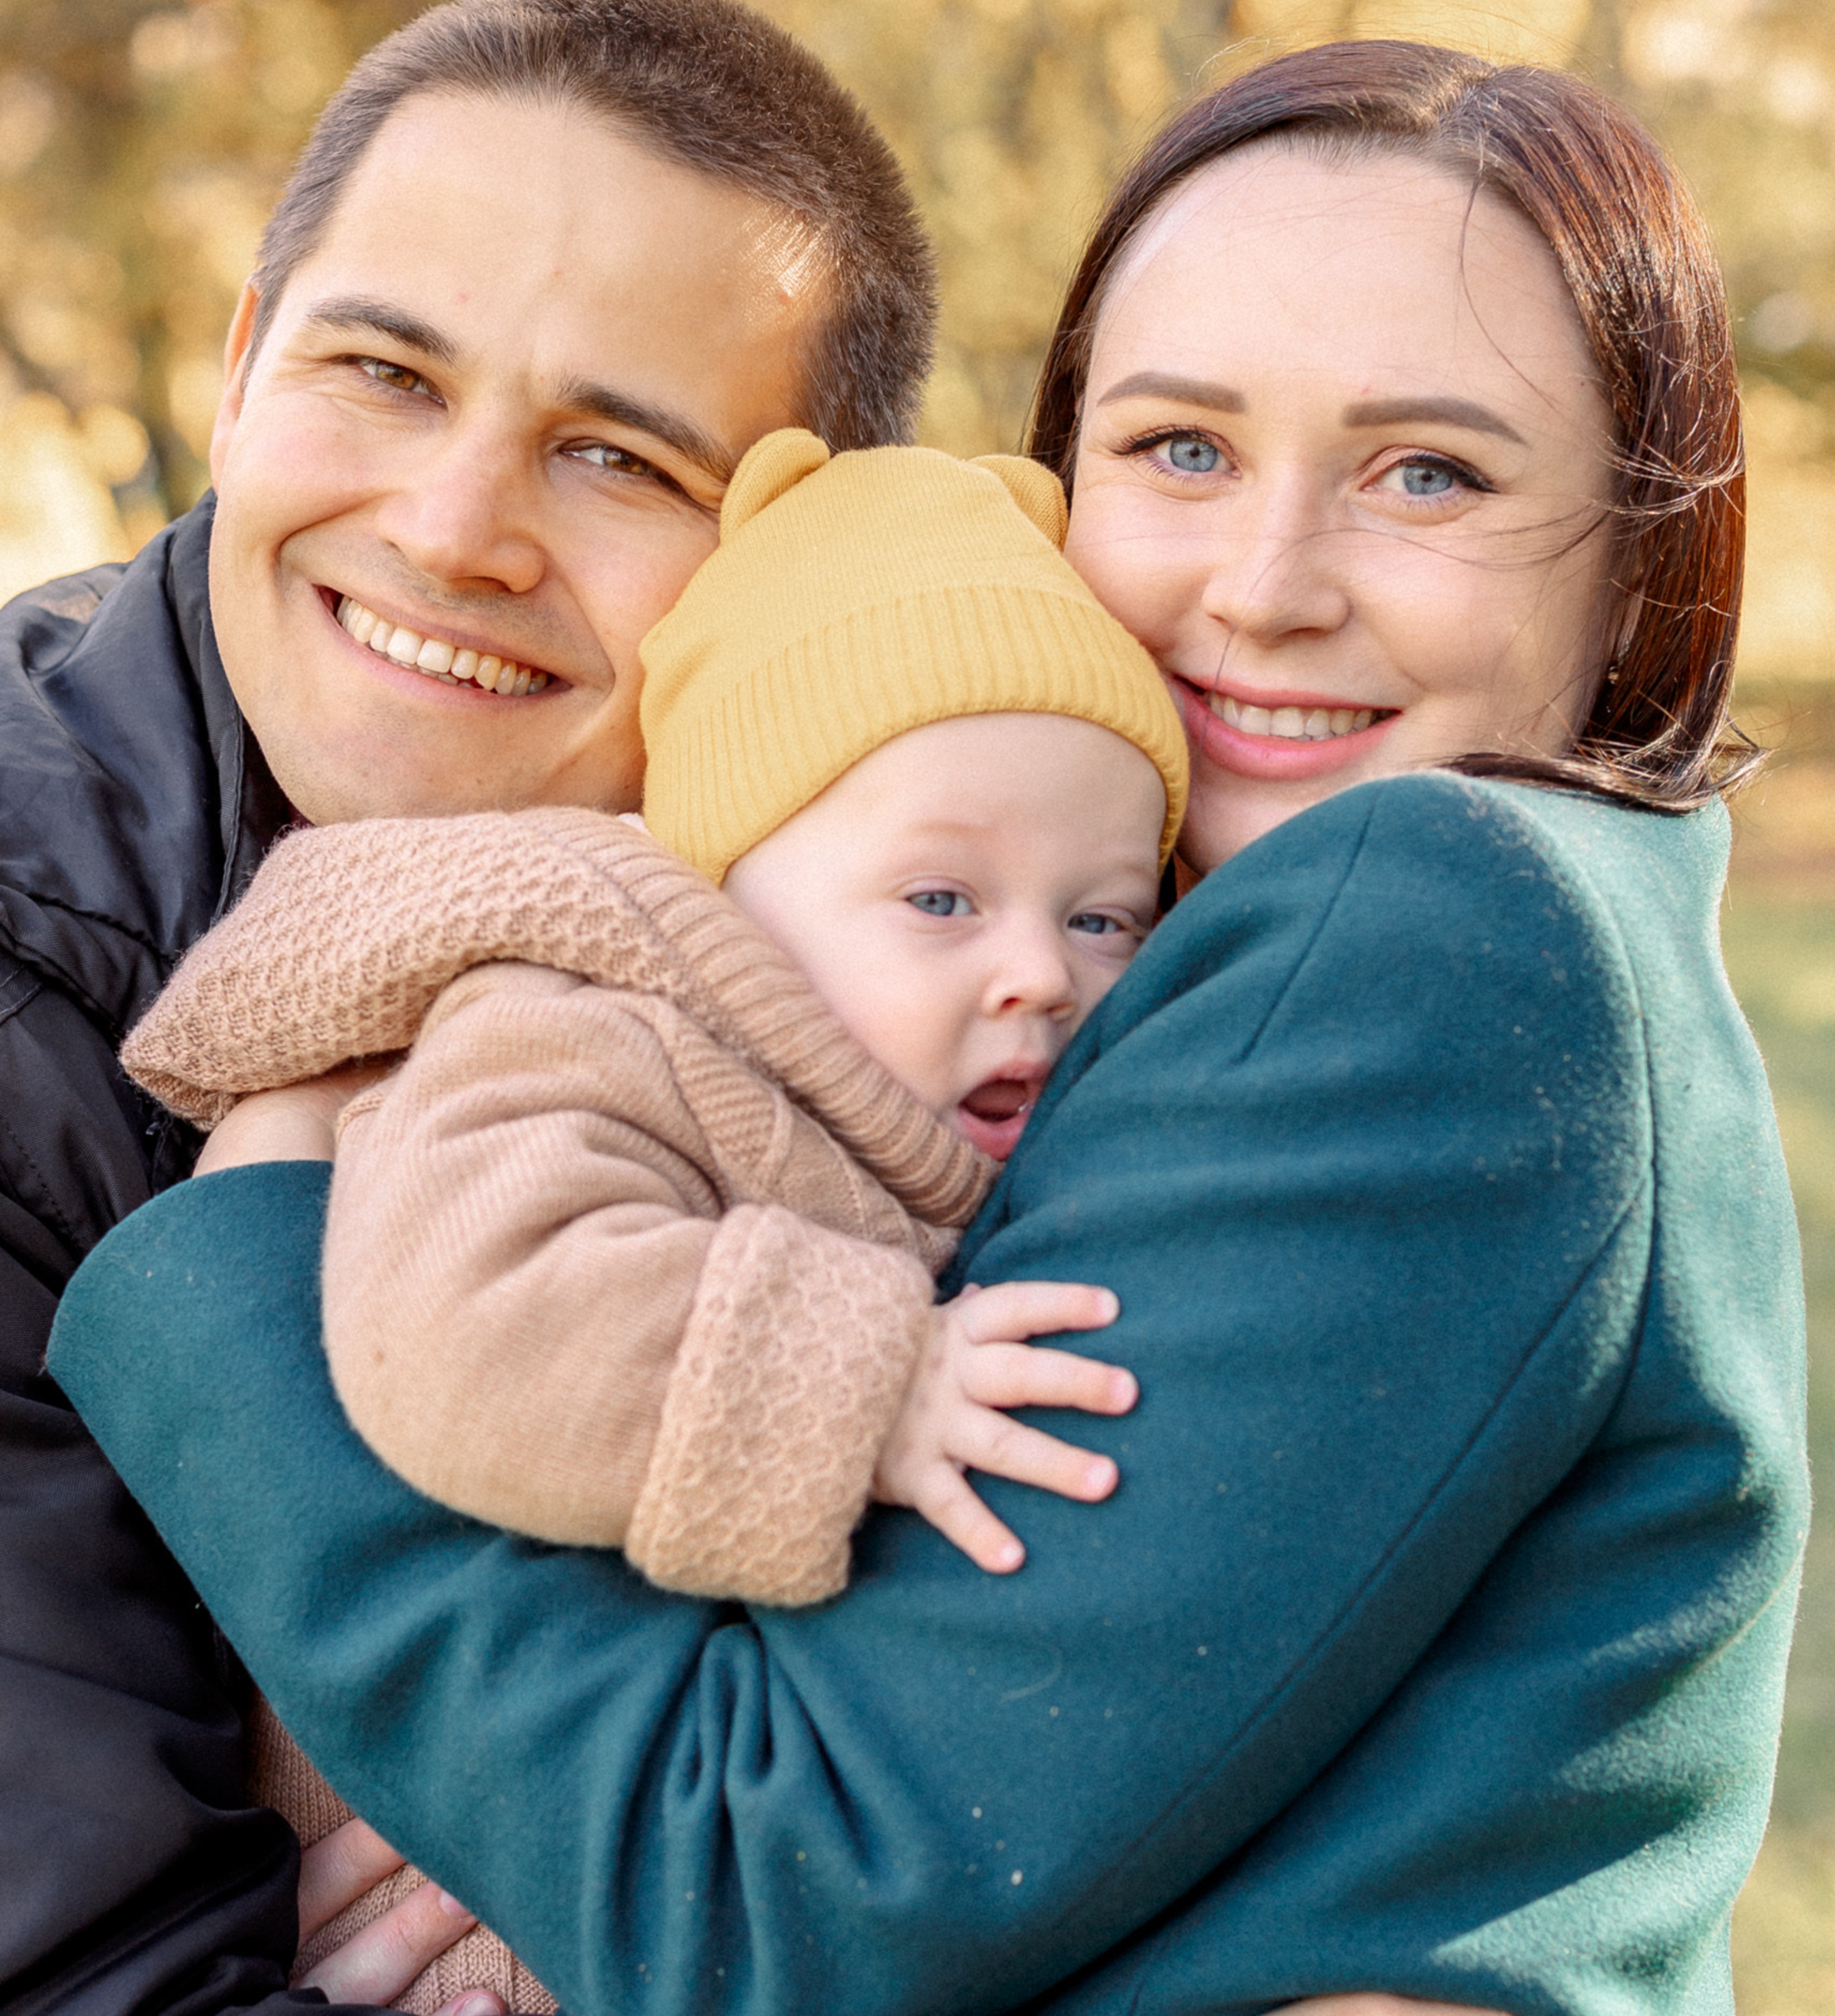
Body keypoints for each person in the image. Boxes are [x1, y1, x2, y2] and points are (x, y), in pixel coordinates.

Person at [48, 40, 1808, 2015]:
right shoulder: (1372, 943)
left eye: (1427, 473)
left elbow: (771, 1885)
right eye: (1179, 448)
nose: (1261, 585)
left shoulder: (1425, 917)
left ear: (1634, 560)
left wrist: (250, 1245)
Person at [0, 0, 940, 2016]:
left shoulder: (895, 957)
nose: (453, 531)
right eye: (381, 371)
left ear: (798, 549)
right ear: (239, 368)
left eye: (617, 456)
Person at [116, 431, 1188, 2009]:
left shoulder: (973, 1124)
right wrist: (868, 1385)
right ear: (726, 886)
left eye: (1102, 918)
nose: (1038, 973)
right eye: (942, 901)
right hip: (447, 1881)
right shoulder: (594, 1034)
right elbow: (470, 1320)